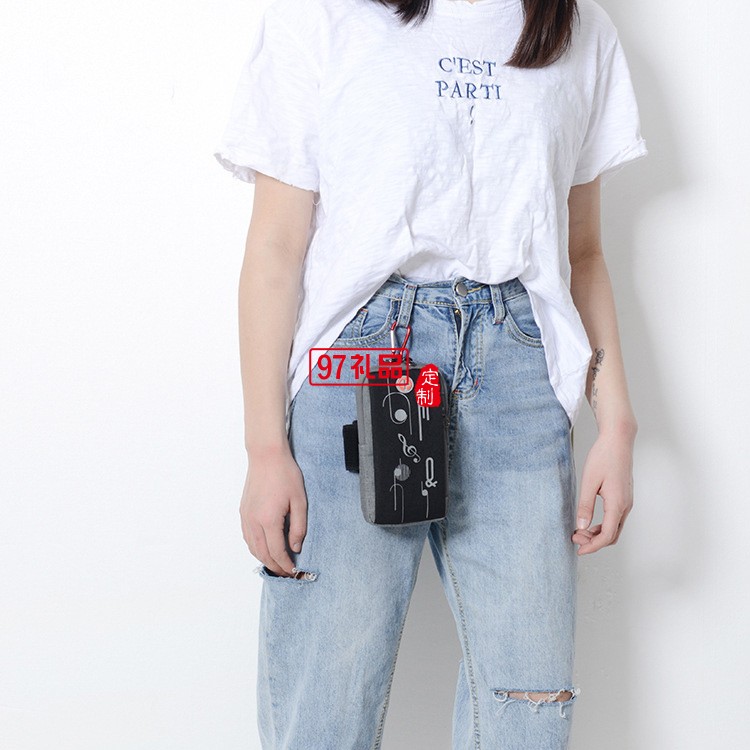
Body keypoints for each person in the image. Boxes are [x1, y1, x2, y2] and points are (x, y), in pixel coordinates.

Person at [213, 0, 647, 747]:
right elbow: (277, 247)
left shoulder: (579, 31)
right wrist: (264, 448)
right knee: (326, 702)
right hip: (360, 363)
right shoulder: (325, 17)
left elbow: (582, 253)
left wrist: (617, 423)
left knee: (527, 707)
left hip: (519, 371)